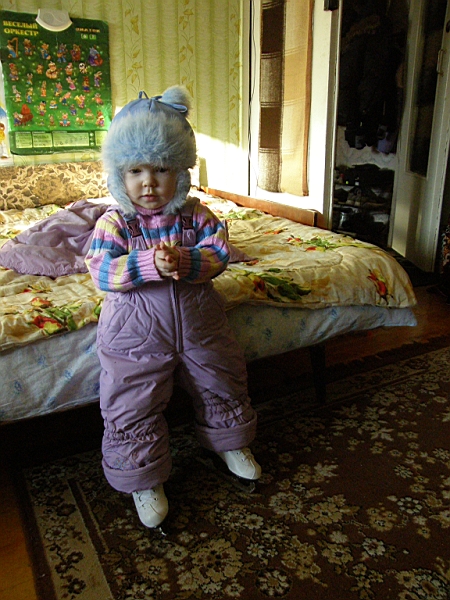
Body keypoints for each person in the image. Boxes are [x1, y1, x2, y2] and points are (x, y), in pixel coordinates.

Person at [85, 86, 261, 528]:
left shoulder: (197, 216)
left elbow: (219, 253)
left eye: (161, 168)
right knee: (132, 401)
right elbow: (101, 270)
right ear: (119, 176)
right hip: (134, 334)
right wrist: (146, 264)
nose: (148, 182)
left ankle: (229, 440)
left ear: (181, 172)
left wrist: (186, 260)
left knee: (222, 377)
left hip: (201, 323)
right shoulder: (114, 222)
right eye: (136, 170)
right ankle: (142, 474)